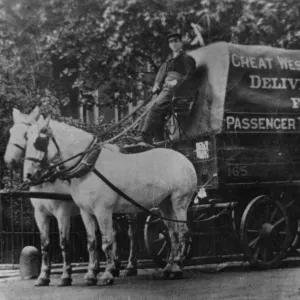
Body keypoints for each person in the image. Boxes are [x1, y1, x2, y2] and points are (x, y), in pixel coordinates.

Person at [130, 30, 197, 147]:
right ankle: (141, 134)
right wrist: (157, 85)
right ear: (169, 45)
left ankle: (145, 136)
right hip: (166, 87)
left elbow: (190, 76)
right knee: (145, 108)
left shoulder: (186, 58)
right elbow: (162, 74)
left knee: (156, 106)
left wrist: (175, 82)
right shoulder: (169, 60)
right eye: (171, 42)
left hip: (177, 89)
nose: (173, 44)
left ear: (181, 43)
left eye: (176, 41)